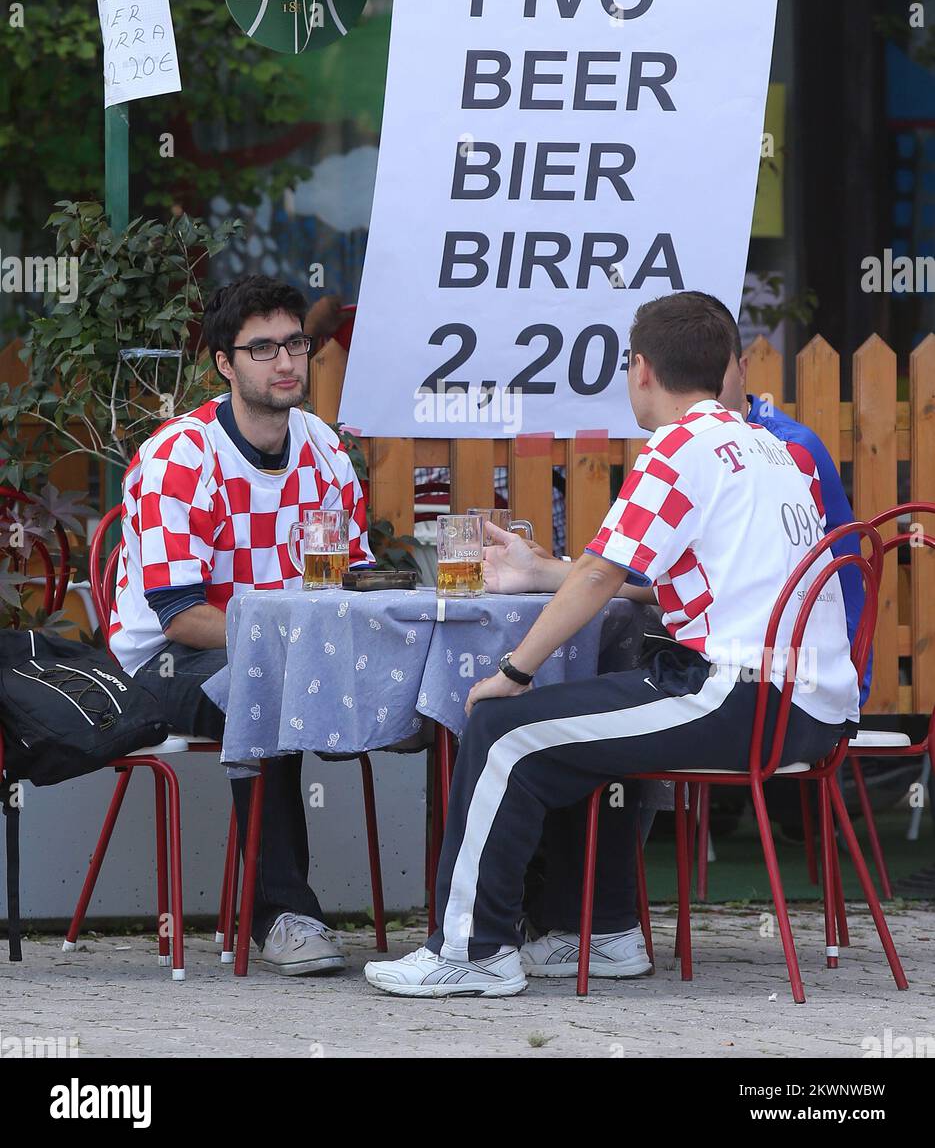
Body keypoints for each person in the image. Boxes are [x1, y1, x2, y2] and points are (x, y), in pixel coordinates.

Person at [364, 290, 860, 997]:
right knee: (581, 718)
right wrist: (546, 573)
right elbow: (692, 583)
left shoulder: (677, 448)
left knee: (504, 728)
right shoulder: (770, 449)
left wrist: (512, 669)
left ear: (638, 370)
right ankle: (595, 933)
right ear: (725, 368)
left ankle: (471, 952)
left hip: (741, 699)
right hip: (807, 707)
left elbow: (600, 573)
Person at [109, 276, 374, 975]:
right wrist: (293, 650)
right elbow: (178, 617)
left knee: (447, 694)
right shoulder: (180, 455)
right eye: (262, 349)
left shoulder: (325, 447)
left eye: (294, 343)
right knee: (267, 683)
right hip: (163, 667)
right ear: (224, 364)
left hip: (299, 653)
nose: (285, 362)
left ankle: (479, 919)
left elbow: (360, 576)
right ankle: (282, 916)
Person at [692, 292, 872, 704]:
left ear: (743, 370)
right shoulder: (697, 442)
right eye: (689, 379)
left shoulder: (789, 447)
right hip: (767, 656)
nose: (701, 395)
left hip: (807, 672)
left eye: (711, 377)